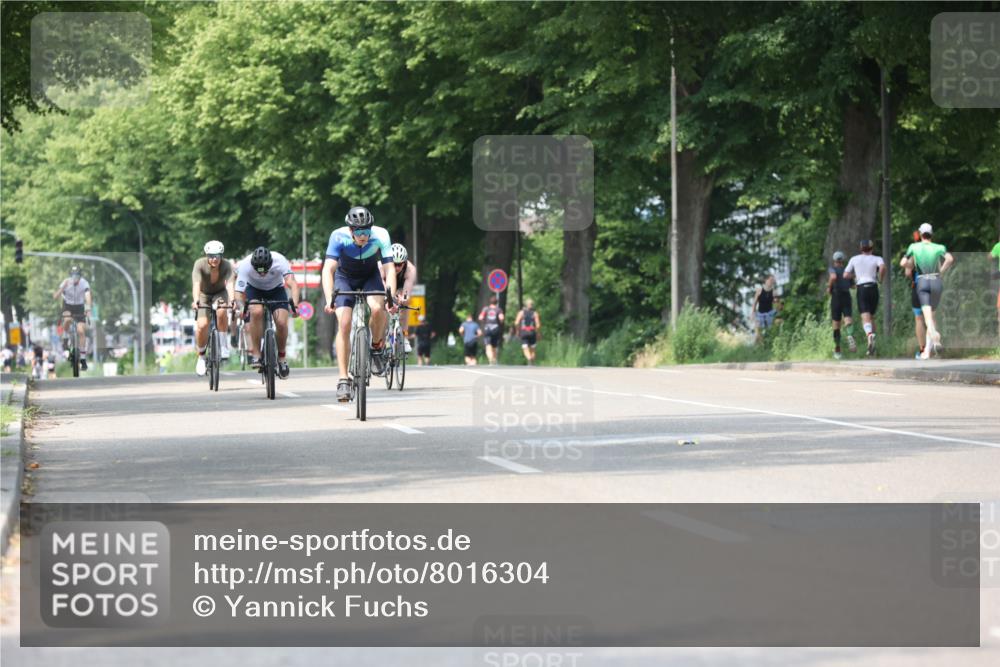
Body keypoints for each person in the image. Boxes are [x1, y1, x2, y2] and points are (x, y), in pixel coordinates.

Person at [321, 206, 397, 401]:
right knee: (344, 323)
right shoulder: (338, 236)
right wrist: (329, 298)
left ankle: (376, 347)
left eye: (366, 231)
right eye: (359, 231)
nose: (363, 236)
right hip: (344, 278)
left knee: (378, 309)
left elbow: (389, 269)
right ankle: (343, 379)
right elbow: (328, 270)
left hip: (370, 276)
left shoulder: (381, 235)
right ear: (350, 230)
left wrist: (390, 297)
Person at [233, 246, 300, 378]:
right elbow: (239, 293)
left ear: (271, 264)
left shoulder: (280, 260)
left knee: (281, 323)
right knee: (256, 311)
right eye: (259, 271)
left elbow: (293, 284)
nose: (262, 274)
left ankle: (282, 357)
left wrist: (295, 306)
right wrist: (241, 308)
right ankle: (256, 354)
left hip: (276, 290)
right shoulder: (245, 265)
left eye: (265, 270)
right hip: (254, 290)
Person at [903, 223, 954, 359]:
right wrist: (940, 272)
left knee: (921, 318)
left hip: (919, 283)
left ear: (920, 235)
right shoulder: (937, 248)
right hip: (935, 282)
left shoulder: (914, 249)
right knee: (932, 317)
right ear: (932, 234)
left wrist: (912, 271)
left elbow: (906, 269)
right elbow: (947, 261)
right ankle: (928, 351)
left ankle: (926, 346)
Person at [191, 240, 235, 377]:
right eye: (211, 256)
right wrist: (196, 300)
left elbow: (230, 284)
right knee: (202, 325)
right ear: (206, 255)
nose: (214, 259)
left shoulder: (227, 265)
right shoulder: (199, 264)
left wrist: (232, 300)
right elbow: (196, 284)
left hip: (220, 293)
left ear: (221, 256)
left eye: (217, 256)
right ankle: (201, 356)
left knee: (222, 311)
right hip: (203, 295)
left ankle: (223, 345)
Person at [843, 240, 886, 357]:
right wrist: (880, 279)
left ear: (861, 248)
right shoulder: (877, 258)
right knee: (871, 316)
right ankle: (872, 345)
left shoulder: (854, 259)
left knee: (865, 316)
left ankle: (870, 335)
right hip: (873, 287)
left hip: (862, 288)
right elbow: (883, 267)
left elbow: (845, 274)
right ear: (872, 248)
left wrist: (855, 275)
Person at [52, 266, 92, 370]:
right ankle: (66, 337)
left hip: (79, 307)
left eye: (77, 276)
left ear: (80, 276)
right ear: (70, 276)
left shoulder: (84, 283)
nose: (75, 278)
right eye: (73, 276)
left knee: (81, 331)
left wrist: (88, 308)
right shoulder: (66, 282)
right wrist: (63, 288)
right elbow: (55, 297)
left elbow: (88, 296)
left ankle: (83, 359)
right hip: (68, 306)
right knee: (68, 319)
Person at [384, 243, 417, 353]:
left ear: (405, 262)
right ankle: (382, 335)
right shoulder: (381, 266)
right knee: (381, 305)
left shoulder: (410, 269)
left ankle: (404, 336)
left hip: (401, 286)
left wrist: (404, 299)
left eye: (400, 264)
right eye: (395, 264)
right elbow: (382, 287)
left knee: (405, 304)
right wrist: (388, 300)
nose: (397, 267)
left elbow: (407, 291)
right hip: (386, 284)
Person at [827, 251, 857, 359]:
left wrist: (829, 287)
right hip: (846, 296)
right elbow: (853, 286)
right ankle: (850, 335)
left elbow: (833, 277)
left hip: (836, 296)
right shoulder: (847, 270)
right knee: (848, 319)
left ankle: (837, 350)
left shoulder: (832, 269)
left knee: (836, 324)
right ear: (843, 260)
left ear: (834, 260)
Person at [478, 295, 505, 365]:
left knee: (488, 345)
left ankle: (491, 359)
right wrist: (500, 322)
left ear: (490, 302)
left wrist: (484, 320)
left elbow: (480, 317)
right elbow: (501, 318)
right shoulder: (498, 310)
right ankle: (494, 359)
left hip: (488, 328)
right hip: (496, 329)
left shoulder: (485, 309)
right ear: (497, 302)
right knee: (494, 346)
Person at [513, 298, 541, 365]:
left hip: (524, 332)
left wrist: (517, 330)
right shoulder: (535, 313)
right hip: (532, 332)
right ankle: (532, 362)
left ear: (525, 305)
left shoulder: (521, 313)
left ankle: (529, 359)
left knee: (525, 348)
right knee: (532, 349)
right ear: (532, 305)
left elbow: (516, 323)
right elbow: (538, 325)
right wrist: (537, 333)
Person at [751, 274, 777, 343]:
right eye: (770, 280)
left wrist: (776, 301)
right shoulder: (759, 290)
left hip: (770, 313)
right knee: (758, 331)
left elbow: (776, 303)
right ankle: (760, 344)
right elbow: (754, 303)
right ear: (766, 280)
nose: (771, 281)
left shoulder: (774, 292)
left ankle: (768, 343)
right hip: (760, 314)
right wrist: (753, 313)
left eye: (773, 280)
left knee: (770, 331)